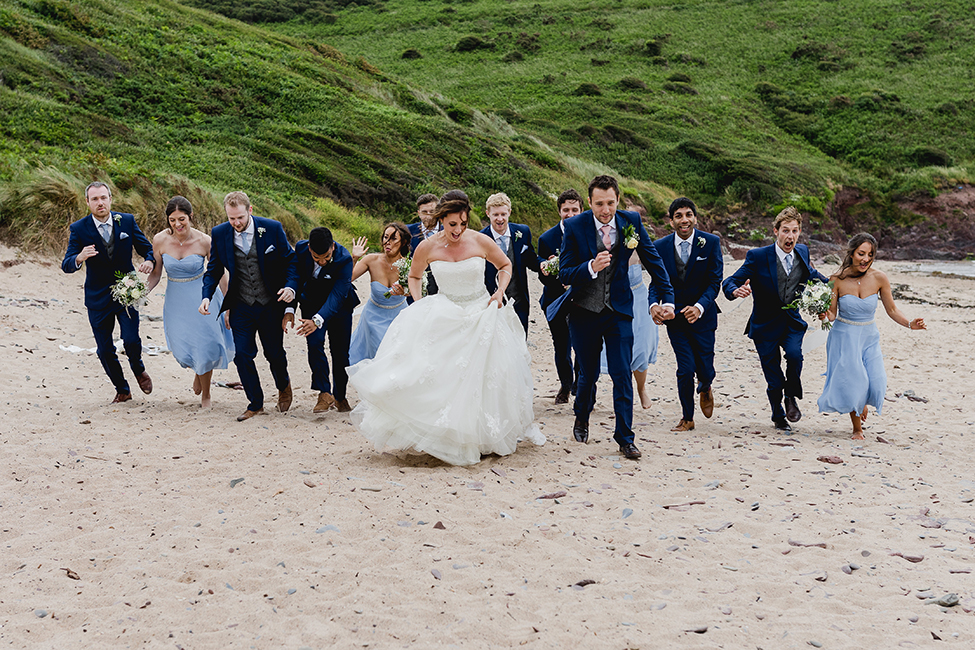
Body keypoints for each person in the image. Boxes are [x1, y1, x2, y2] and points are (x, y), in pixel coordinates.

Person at [347, 191, 544, 466]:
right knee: (442, 376)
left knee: (484, 377)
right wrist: (419, 304)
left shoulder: (480, 240)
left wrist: (499, 291)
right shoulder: (427, 247)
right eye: (453, 224)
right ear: (442, 220)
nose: (458, 230)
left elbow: (505, 265)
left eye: (463, 223)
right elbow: (415, 275)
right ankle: (446, 435)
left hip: (480, 312)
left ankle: (482, 436)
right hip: (444, 312)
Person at [558, 175, 674, 460]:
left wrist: (666, 298)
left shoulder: (630, 221)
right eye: (599, 204)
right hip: (584, 310)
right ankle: (582, 417)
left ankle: (625, 437)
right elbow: (564, 272)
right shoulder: (575, 226)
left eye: (610, 203)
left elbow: (653, 261)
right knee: (588, 373)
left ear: (617, 200)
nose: (605, 210)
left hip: (620, 310)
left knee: (622, 373)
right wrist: (590, 266)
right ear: (590, 202)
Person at [722, 206, 829, 432]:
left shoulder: (802, 252)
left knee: (795, 356)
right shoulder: (758, 257)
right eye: (785, 231)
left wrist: (837, 286)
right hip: (764, 325)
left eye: (795, 231)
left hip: (791, 322)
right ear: (775, 231)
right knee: (773, 379)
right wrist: (735, 291)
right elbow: (730, 281)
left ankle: (791, 396)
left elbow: (814, 277)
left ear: (799, 232)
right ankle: (778, 415)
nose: (790, 236)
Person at [199, 191, 298, 422]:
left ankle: (284, 386)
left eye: (240, 218)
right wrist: (206, 296)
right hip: (241, 304)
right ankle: (255, 403)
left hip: (270, 303)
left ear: (250, 211)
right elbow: (213, 270)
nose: (236, 223)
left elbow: (290, 261)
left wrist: (290, 288)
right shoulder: (220, 233)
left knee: (273, 353)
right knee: (242, 354)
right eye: (231, 218)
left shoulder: (272, 228)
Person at [818, 233, 926, 439]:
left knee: (876, 381)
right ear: (851, 253)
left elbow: (892, 310)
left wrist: (910, 324)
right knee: (854, 381)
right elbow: (831, 314)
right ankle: (857, 428)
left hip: (869, 337)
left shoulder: (879, 278)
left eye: (870, 255)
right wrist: (823, 314)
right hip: (844, 337)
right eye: (861, 254)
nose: (866, 259)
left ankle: (861, 401)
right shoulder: (836, 279)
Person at [61, 182, 155, 404]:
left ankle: (138, 368)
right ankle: (122, 389)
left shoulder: (127, 221)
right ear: (87, 202)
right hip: (97, 297)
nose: (100, 203)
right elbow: (66, 264)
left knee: (131, 339)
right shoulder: (79, 228)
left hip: (127, 292)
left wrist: (149, 260)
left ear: (111, 198)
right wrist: (79, 257)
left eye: (103, 198)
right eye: (95, 199)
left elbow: (147, 248)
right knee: (104, 350)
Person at [145, 196, 234, 408]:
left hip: (203, 296)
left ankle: (206, 396)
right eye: (172, 220)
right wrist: (141, 292)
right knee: (184, 345)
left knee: (206, 342)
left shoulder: (205, 241)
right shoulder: (160, 240)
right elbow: (156, 274)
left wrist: (228, 304)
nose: (177, 225)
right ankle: (198, 370)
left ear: (191, 216)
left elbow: (219, 274)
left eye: (182, 219)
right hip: (177, 299)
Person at [648, 197, 723, 430]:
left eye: (688, 215)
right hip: (676, 319)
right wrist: (654, 306)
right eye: (678, 216)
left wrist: (699, 307)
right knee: (685, 368)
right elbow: (655, 283)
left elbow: (714, 282)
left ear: (695, 218)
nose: (684, 220)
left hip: (704, 316)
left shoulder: (710, 242)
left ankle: (706, 385)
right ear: (671, 221)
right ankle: (687, 418)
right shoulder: (659, 247)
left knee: (705, 368)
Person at [285, 227, 360, 414]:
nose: (322, 261)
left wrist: (317, 320)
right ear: (309, 248)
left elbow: (338, 294)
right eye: (316, 258)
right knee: (315, 344)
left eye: (326, 257)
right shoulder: (301, 249)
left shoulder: (343, 259)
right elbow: (295, 275)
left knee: (340, 352)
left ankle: (340, 396)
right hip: (311, 303)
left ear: (333, 247)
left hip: (340, 306)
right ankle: (325, 393)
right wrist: (290, 305)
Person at [538, 189, 583, 403]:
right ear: (559, 212)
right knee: (561, 345)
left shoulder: (590, 234)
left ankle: (579, 385)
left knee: (583, 344)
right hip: (555, 300)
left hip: (583, 300)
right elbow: (543, 278)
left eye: (575, 209)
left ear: (582, 210)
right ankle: (565, 385)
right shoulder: (547, 238)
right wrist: (551, 272)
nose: (570, 214)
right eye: (566, 210)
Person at [600, 251, 660, 408]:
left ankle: (641, 389)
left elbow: (658, 268)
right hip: (614, 302)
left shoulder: (636, 243)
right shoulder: (603, 246)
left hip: (639, 300)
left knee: (641, 348)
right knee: (618, 350)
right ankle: (623, 393)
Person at [347, 222, 411, 364]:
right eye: (385, 237)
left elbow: (417, 290)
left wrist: (406, 291)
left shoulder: (408, 266)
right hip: (372, 318)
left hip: (399, 317)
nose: (387, 242)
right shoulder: (371, 260)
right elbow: (348, 278)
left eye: (393, 239)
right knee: (376, 358)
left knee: (395, 358)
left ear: (403, 242)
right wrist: (354, 258)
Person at [480, 192, 540, 335]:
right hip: (490, 302)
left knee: (520, 342)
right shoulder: (481, 238)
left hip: (518, 301)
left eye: (503, 214)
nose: (500, 219)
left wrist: (545, 264)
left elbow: (531, 259)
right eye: (495, 215)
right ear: (488, 214)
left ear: (509, 213)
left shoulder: (522, 232)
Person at [407, 193, 440, 301]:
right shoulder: (407, 232)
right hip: (413, 293)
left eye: (432, 212)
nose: (428, 215)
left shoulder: (449, 231)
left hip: (441, 293)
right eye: (424, 212)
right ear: (419, 213)